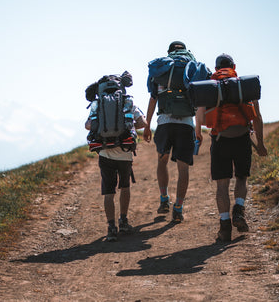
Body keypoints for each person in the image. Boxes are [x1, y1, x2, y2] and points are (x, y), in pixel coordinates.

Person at [195, 53, 268, 242]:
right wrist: (260, 144)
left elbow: (202, 119)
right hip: (243, 138)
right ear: (234, 65)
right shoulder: (245, 85)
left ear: (216, 67)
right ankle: (239, 210)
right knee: (242, 178)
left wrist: (198, 132)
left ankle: (225, 227)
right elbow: (257, 117)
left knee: (222, 185)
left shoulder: (209, 87)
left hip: (220, 140)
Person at [144, 41, 203, 223]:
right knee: (183, 168)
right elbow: (201, 100)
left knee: (162, 161)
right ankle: (178, 207)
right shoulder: (192, 67)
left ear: (169, 52)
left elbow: (153, 98)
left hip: (164, 122)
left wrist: (147, 125)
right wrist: (198, 130)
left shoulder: (162, 68)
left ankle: (164, 199)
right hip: (186, 123)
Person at [85, 82, 147, 242]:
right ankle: (123, 221)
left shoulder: (97, 105)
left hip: (105, 153)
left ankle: (111, 227)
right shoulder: (127, 103)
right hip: (125, 154)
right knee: (124, 187)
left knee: (108, 191)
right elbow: (143, 123)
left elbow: (88, 125)